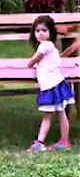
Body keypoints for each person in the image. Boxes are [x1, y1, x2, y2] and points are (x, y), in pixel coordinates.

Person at [26, 15, 76, 153]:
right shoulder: (48, 46)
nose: (40, 33)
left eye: (44, 30)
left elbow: (37, 57)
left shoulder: (46, 45)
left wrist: (30, 63)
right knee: (56, 114)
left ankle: (46, 142)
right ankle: (56, 141)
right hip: (53, 85)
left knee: (53, 115)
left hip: (53, 86)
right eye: (37, 31)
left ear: (50, 33)